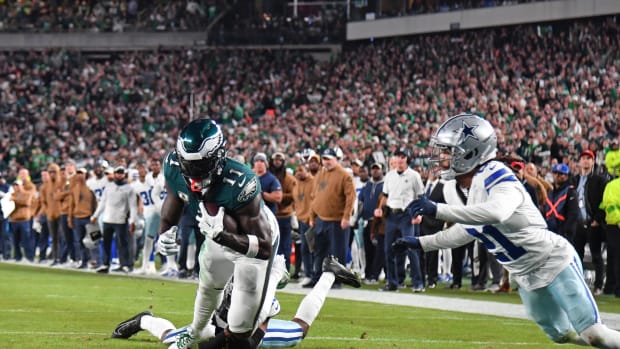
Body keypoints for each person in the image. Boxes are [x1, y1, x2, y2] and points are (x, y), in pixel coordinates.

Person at [394, 113, 620, 347]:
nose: (442, 157)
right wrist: (421, 243)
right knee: (562, 336)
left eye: (448, 151)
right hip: (526, 276)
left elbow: (497, 212)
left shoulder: (496, 173)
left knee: (595, 334)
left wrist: (438, 209)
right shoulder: (476, 186)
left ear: (471, 151)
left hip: (551, 261)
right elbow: (466, 231)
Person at [155, 118, 280, 349]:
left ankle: (272, 286)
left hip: (251, 243)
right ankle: (195, 331)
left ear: (218, 156)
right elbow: (173, 202)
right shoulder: (173, 166)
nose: (192, 173)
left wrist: (223, 236)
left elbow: (264, 248)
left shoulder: (241, 182)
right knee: (209, 285)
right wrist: (164, 232)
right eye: (187, 164)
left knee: (240, 329)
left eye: (200, 165)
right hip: (215, 235)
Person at [112, 255, 360, 349]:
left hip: (224, 318)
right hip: (241, 320)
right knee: (298, 330)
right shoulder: (238, 337)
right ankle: (329, 273)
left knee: (176, 338)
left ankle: (144, 320)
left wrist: (274, 275)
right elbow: (261, 324)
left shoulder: (214, 335)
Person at [374, 148, 425, 292]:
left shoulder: (414, 175)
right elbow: (385, 195)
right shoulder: (389, 175)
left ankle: (418, 283)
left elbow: (420, 196)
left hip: (406, 215)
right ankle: (392, 282)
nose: (400, 160)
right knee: (388, 250)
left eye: (403, 157)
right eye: (398, 156)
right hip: (391, 215)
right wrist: (379, 208)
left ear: (407, 159)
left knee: (411, 248)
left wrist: (419, 214)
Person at [307, 148, 357, 289]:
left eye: (329, 159)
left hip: (336, 219)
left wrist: (346, 217)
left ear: (336, 159)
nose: (326, 162)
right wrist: (312, 215)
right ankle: (317, 277)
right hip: (321, 219)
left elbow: (350, 197)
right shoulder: (320, 174)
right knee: (319, 251)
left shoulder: (344, 175)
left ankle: (336, 280)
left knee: (337, 252)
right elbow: (314, 197)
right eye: (324, 159)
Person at [571, 149, 608, 296]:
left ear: (593, 161)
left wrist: (597, 219)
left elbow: (603, 201)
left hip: (592, 223)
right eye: (583, 158)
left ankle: (598, 285)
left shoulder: (599, 180)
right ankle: (578, 283)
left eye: (589, 158)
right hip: (578, 224)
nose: (585, 161)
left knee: (596, 255)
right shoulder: (574, 180)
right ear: (580, 161)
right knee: (576, 255)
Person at [90, 166, 138, 273]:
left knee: (122, 243)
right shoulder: (109, 186)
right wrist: (95, 215)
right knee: (106, 242)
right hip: (108, 218)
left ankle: (125, 264)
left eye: (121, 173)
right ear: (115, 174)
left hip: (121, 219)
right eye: (117, 173)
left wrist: (133, 221)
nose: (119, 175)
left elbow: (133, 206)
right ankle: (105, 264)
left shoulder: (129, 189)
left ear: (124, 174)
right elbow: (102, 202)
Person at [543, 163, 579, 241]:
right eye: (555, 173)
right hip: (550, 231)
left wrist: (563, 232)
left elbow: (573, 214)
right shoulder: (550, 192)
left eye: (561, 174)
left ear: (566, 176)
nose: (557, 176)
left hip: (564, 233)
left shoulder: (570, 191)